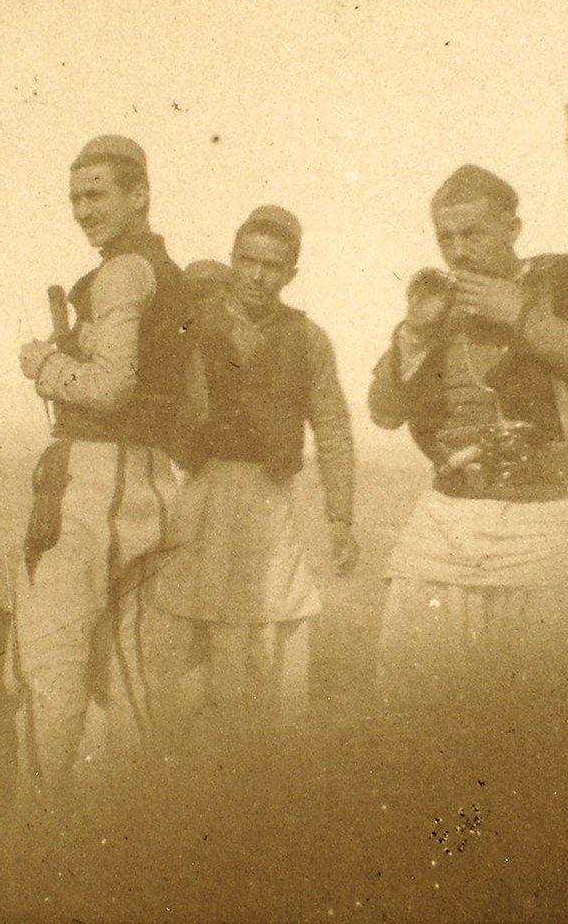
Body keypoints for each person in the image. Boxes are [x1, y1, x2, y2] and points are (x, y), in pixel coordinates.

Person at [368, 165, 568, 711]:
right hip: (446, 519)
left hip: (543, 521)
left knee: (540, 709)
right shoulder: (439, 302)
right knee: (413, 701)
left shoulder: (561, 281)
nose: (458, 251)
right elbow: (384, 413)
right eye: (446, 237)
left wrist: (521, 315)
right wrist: (414, 332)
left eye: (473, 233)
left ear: (512, 229)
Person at [11, 135, 191, 796]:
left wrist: (45, 365)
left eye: (97, 194)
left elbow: (111, 387)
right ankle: (129, 835)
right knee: (131, 676)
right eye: (74, 198)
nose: (83, 210)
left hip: (90, 482)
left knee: (49, 667)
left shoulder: (119, 272)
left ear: (138, 194)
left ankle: (33, 833)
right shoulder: (169, 275)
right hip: (153, 482)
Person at [145, 206, 357, 739]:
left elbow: (332, 426)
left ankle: (259, 757)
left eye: (272, 265)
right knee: (183, 625)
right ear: (233, 259)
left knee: (268, 627)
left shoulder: (307, 338)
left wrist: (340, 517)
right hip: (201, 493)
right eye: (247, 260)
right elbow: (156, 393)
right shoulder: (194, 325)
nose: (257, 276)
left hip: (269, 500)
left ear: (291, 273)